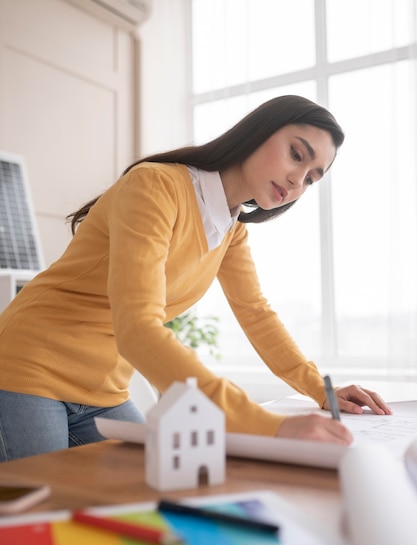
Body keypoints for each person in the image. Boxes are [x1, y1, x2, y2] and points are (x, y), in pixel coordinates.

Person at [0, 95, 391, 462]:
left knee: (152, 497)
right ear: (258, 131)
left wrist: (321, 392)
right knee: (38, 512)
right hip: (29, 367)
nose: (296, 181)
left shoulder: (232, 232)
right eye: (296, 155)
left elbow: (256, 314)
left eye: (311, 178)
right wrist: (267, 426)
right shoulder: (156, 186)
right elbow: (137, 326)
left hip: (103, 389)